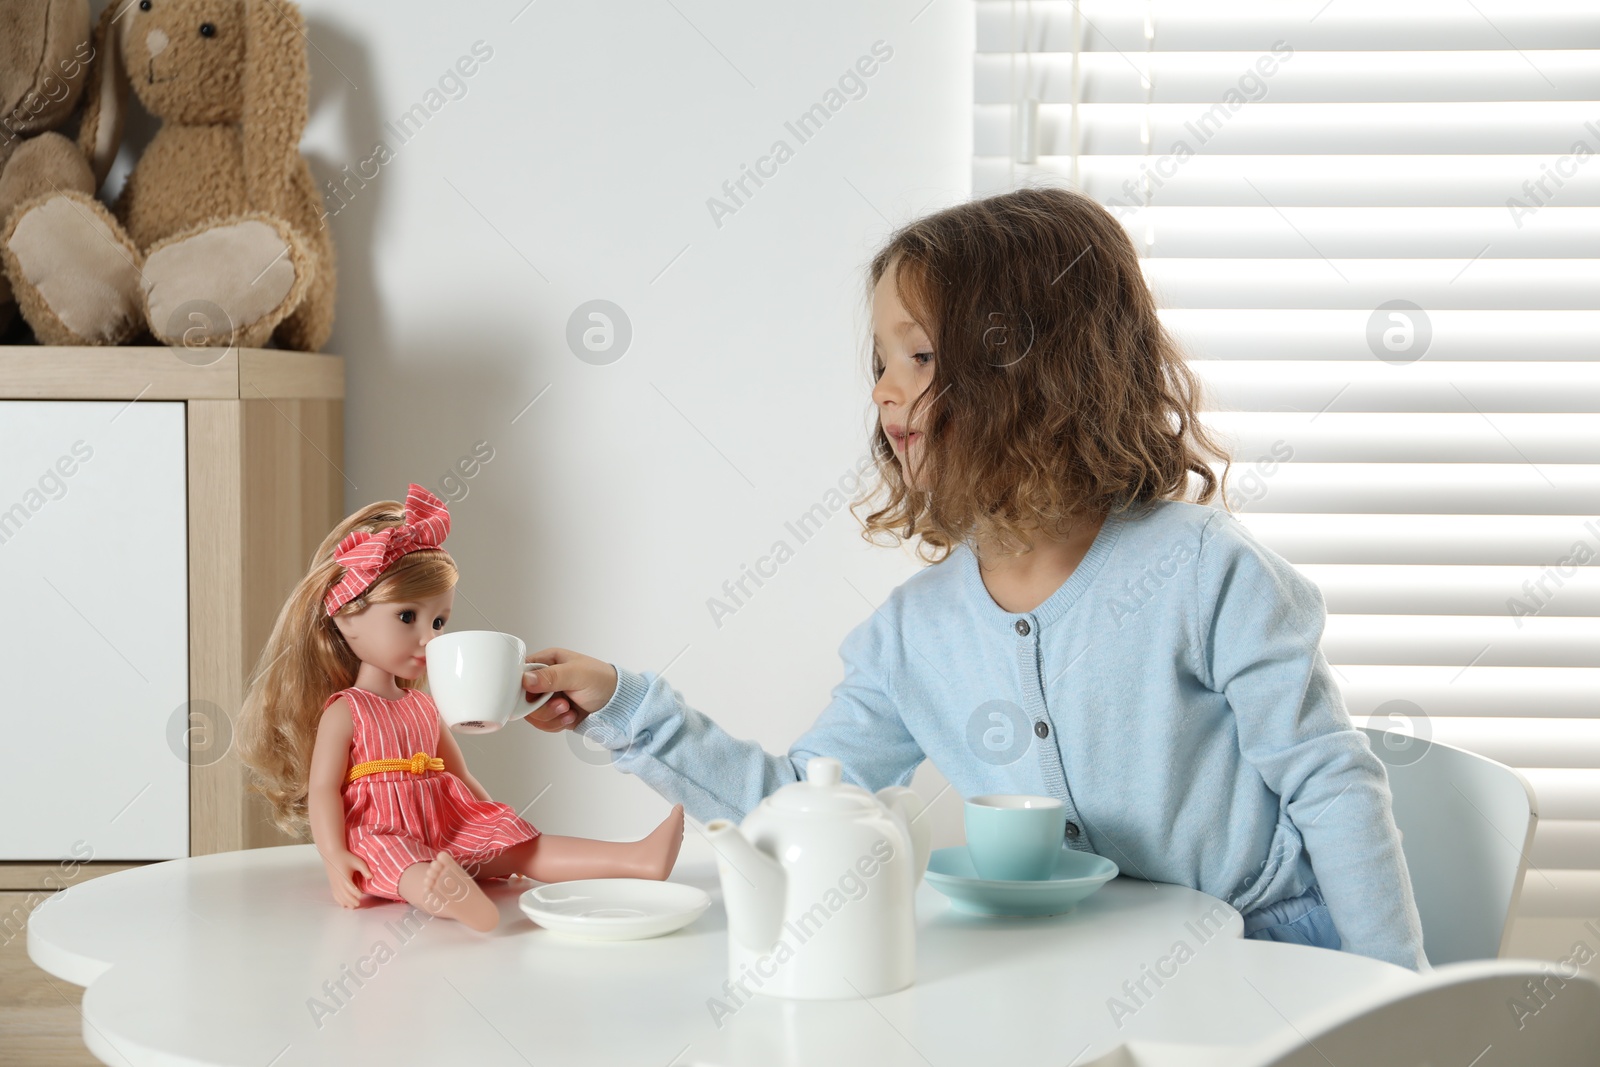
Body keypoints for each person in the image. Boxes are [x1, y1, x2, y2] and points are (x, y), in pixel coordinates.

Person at [519, 185, 1427, 971]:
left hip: (1270, 950)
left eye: (917, 357)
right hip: (1080, 966)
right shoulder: (914, 634)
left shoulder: (1201, 571)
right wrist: (626, 705)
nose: (882, 391)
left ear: (1034, 374)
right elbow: (797, 803)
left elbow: (1330, 781)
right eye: (878, 362)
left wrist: (1399, 992)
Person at [237, 483, 683, 932]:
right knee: (397, 862)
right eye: (407, 617)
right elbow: (323, 790)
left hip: (446, 822)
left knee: (524, 846)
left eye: (438, 621)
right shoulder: (346, 710)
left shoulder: (424, 706)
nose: (429, 637)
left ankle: (635, 859)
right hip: (382, 828)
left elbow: (459, 773)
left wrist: (497, 822)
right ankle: (452, 898)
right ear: (347, 615)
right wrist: (335, 856)